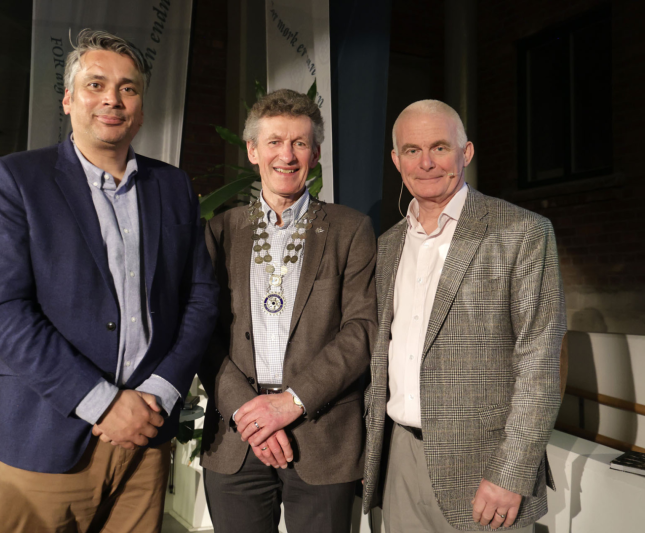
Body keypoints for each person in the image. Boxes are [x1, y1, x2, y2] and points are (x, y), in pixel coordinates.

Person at [0, 29, 218, 533]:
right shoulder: (17, 180)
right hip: (49, 435)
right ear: (68, 99)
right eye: (96, 84)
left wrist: (161, 391)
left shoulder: (172, 185)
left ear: (142, 109)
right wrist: (103, 403)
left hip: (147, 436)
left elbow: (199, 296)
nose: (113, 99)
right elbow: (3, 310)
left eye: (128, 88)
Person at [362, 99, 566, 532]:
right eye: (412, 150)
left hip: (485, 470)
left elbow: (540, 364)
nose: (426, 163)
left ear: (466, 152)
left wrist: (510, 473)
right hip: (399, 458)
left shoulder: (521, 232)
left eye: (439, 147)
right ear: (397, 161)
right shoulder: (388, 245)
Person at [198, 89, 377, 533]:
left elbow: (362, 329)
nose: (287, 155)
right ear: (253, 150)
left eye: (299, 143)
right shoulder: (220, 231)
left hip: (323, 435)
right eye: (275, 142)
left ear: (316, 154)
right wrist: (250, 412)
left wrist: (291, 403)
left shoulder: (350, 229)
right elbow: (202, 332)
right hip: (237, 438)